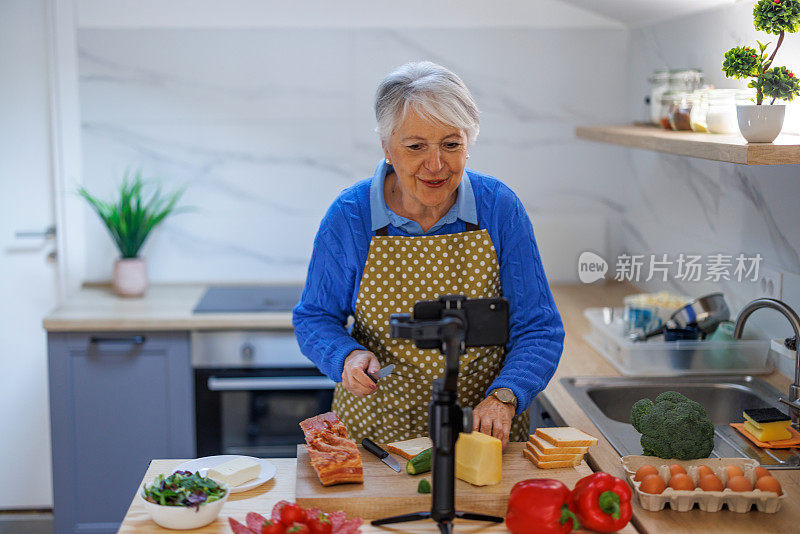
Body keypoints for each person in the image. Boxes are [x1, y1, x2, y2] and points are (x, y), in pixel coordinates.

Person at [293, 61, 564, 448]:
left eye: (451, 144)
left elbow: (538, 327)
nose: (435, 165)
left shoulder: (499, 208)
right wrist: (346, 356)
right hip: (376, 438)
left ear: (469, 143)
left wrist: (506, 396)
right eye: (416, 146)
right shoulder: (351, 215)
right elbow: (315, 317)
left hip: (481, 435)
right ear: (387, 147)